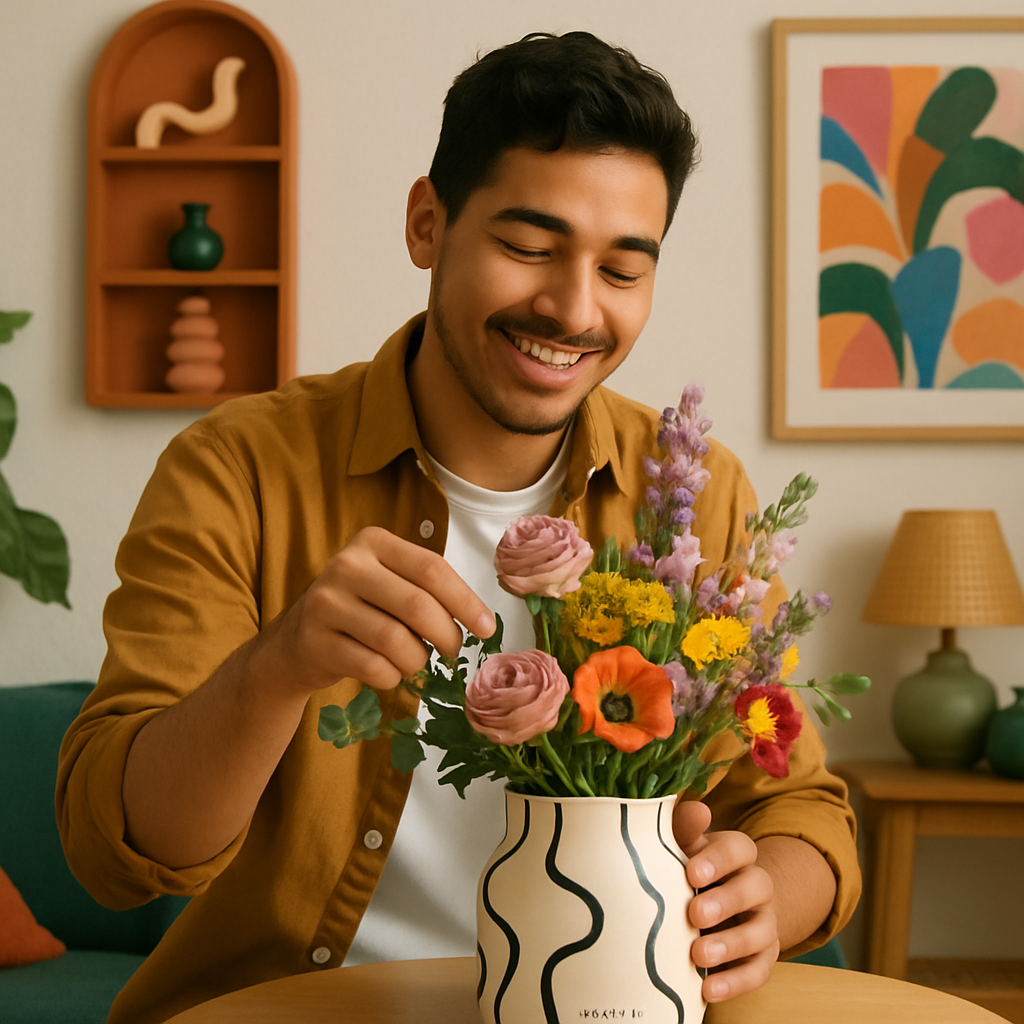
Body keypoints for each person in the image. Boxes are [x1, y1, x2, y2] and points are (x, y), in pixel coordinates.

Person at [56, 30, 860, 1024]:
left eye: (622, 269)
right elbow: (119, 848)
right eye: (527, 246)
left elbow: (798, 801)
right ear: (427, 224)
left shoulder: (697, 497)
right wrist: (277, 669)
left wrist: (765, 893)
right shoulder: (237, 470)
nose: (572, 308)